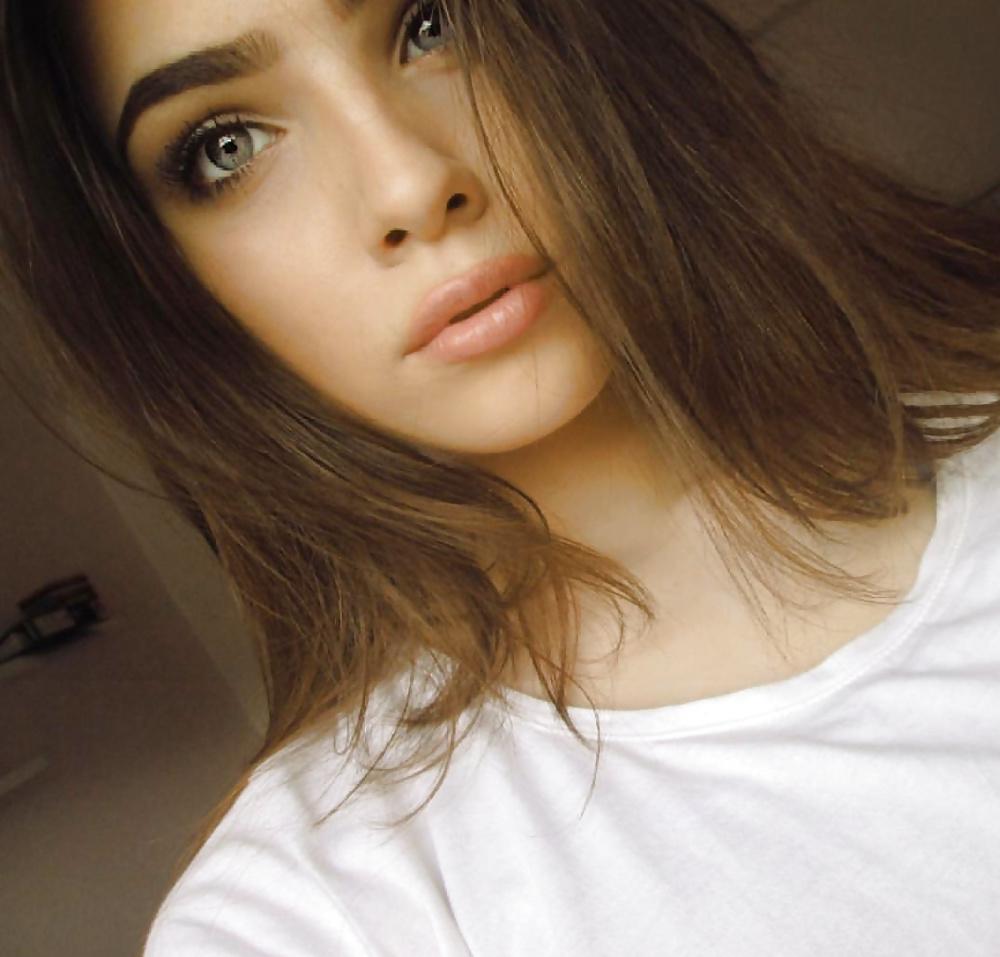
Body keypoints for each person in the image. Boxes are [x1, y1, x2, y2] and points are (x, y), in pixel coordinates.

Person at [2, 0, 999, 953]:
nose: (408, 186)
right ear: (162, 282)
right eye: (227, 146)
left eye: (431, 23)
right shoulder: (313, 914)